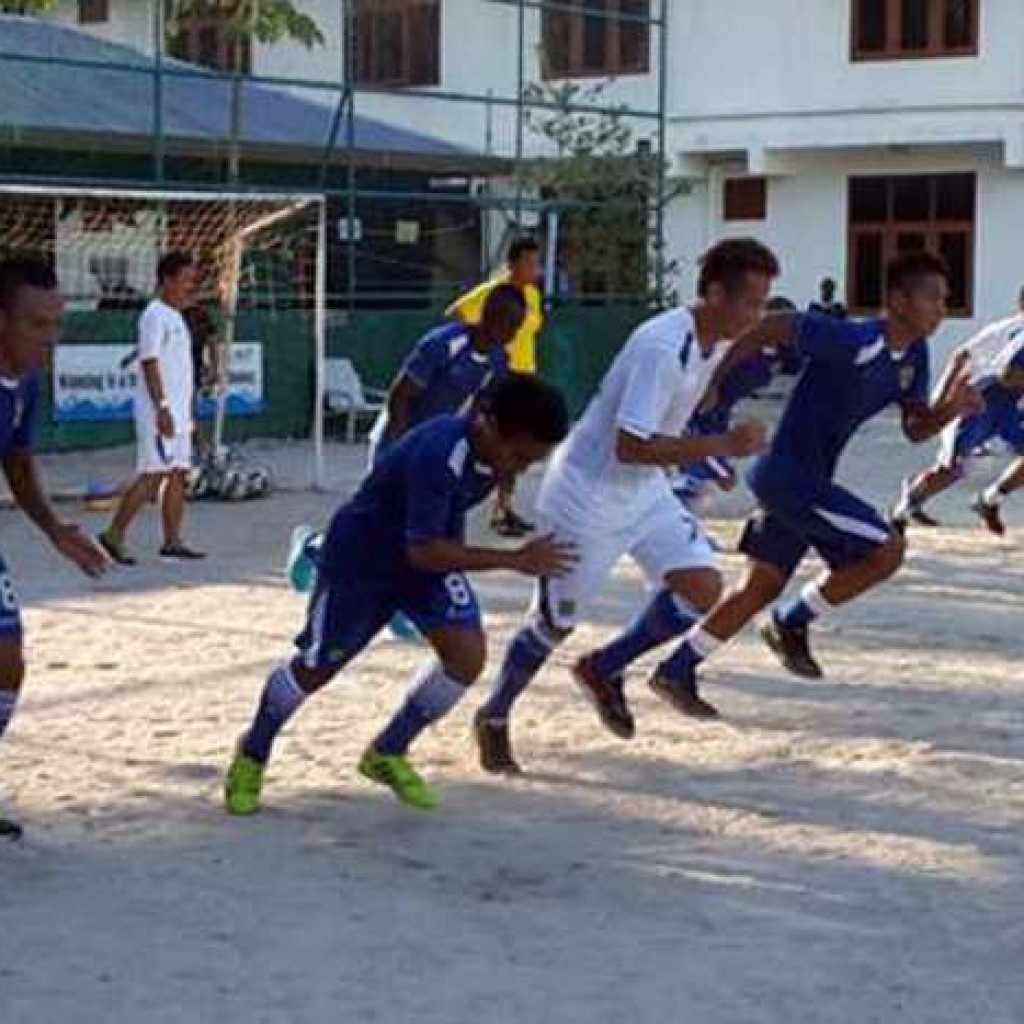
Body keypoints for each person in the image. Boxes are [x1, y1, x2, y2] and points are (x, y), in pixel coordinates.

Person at [473, 238, 779, 775]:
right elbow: (630, 444)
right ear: (712, 293)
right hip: (585, 495)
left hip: (644, 489)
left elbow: (675, 419)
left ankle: (603, 668)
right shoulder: (663, 347)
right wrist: (719, 446)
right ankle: (494, 715)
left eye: (762, 303)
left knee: (703, 586)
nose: (755, 315)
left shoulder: (714, 343)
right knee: (552, 625)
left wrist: (703, 456)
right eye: (749, 302)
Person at [644, 251, 982, 719]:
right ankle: (792, 621)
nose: (941, 309)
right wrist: (712, 379)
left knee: (758, 587)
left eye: (947, 300)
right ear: (898, 300)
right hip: (789, 479)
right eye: (933, 298)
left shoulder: (915, 356)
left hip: (801, 483)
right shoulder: (857, 338)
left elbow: (915, 427)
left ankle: (677, 669)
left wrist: (952, 409)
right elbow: (777, 324)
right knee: (887, 550)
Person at [224, 374, 575, 815]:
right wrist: (514, 560)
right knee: (316, 668)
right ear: (487, 424)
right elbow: (425, 550)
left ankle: (387, 752)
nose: (521, 469)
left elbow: (441, 530)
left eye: (532, 462)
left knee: (466, 656)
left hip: (421, 560)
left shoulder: (490, 457)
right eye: (520, 456)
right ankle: (252, 752)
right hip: (362, 560)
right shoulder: (439, 453)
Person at [286, 284, 527, 598]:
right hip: (397, 438)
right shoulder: (443, 344)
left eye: (516, 326)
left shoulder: (498, 362)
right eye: (505, 322)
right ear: (486, 315)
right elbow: (400, 395)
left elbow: (480, 413)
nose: (510, 332)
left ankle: (408, 596)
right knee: (377, 523)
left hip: (433, 449)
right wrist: (402, 450)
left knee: (425, 526)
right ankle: (313, 547)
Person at [0, 258, 108, 841]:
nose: (49, 339)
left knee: (7, 659)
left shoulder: (28, 382)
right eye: (35, 325)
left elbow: (15, 460)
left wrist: (55, 529)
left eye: (55, 324)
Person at [98, 252, 205, 565]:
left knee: (178, 474)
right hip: (160, 412)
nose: (191, 287)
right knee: (151, 475)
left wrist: (187, 412)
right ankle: (112, 535)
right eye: (186, 280)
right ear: (167, 280)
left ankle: (172, 541)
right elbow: (149, 361)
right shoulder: (154, 315)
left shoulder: (177, 317)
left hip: (180, 413)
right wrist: (162, 407)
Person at [892, 312, 1024, 535]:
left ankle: (990, 499)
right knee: (952, 469)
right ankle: (901, 512)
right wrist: (941, 399)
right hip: (980, 401)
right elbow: (1006, 375)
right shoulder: (1010, 331)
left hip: (1009, 405)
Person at [449, 236, 544, 537]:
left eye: (537, 263)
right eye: (529, 263)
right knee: (498, 445)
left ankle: (503, 509)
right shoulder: (492, 292)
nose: (535, 269)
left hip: (525, 378)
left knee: (518, 447)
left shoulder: (531, 295)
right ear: (512, 264)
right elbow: (455, 313)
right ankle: (471, 502)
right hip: (501, 378)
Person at [673, 296, 800, 513]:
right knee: (702, 484)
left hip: (714, 418)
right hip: (692, 421)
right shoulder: (736, 352)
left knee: (713, 482)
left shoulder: (771, 358)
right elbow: (689, 420)